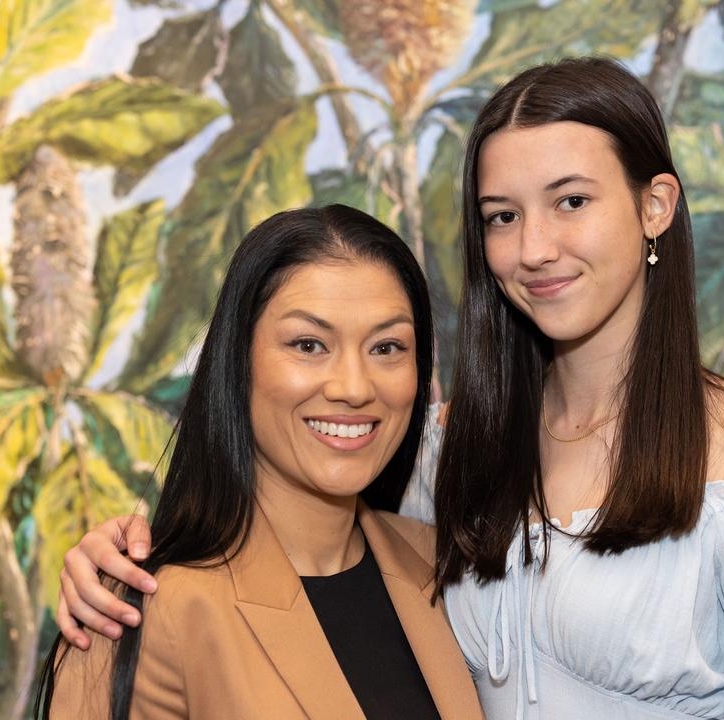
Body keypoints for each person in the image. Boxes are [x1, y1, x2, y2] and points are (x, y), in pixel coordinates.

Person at [54, 57, 724, 719]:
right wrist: (119, 549)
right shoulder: (441, 451)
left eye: (570, 201)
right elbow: (278, 519)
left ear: (655, 205)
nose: (534, 247)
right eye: (502, 215)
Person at [36, 205, 483, 719]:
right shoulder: (137, 605)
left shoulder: (448, 569)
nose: (354, 388)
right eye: (309, 344)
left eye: (387, 347)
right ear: (238, 361)